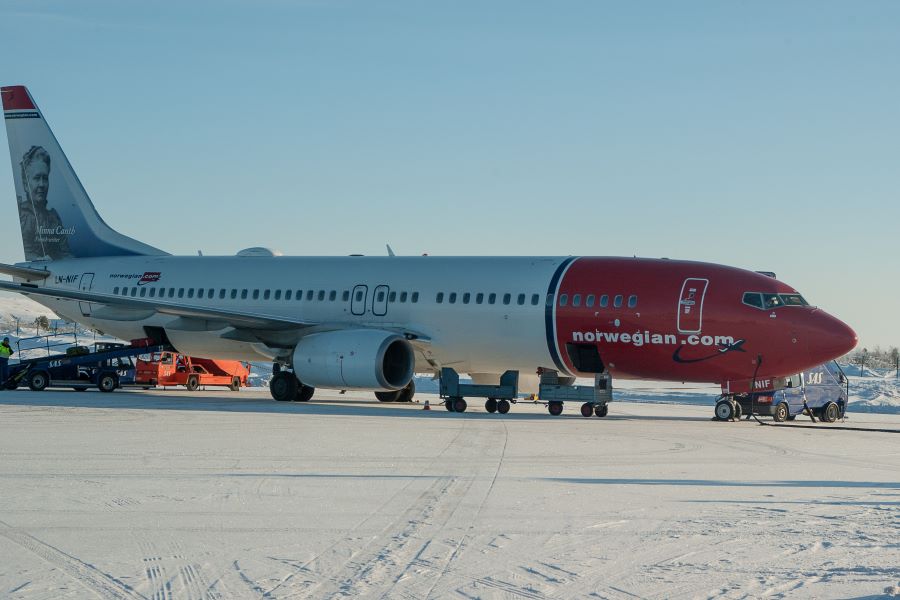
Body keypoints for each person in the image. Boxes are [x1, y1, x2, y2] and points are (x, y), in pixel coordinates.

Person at [18, 145, 72, 260]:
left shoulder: (53, 218)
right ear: (26, 185)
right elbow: (25, 253)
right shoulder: (22, 215)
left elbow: (65, 254)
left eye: (45, 178)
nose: (42, 184)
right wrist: (38, 260)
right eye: (37, 178)